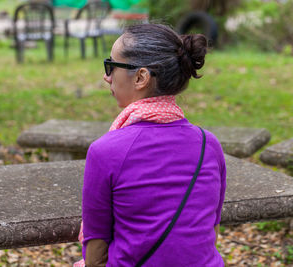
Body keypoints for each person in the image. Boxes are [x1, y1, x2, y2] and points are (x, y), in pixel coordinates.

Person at [76, 23, 226, 267]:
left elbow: (95, 252)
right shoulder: (208, 144)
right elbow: (210, 231)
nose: (107, 76)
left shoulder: (105, 151)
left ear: (141, 77)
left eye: (112, 66)